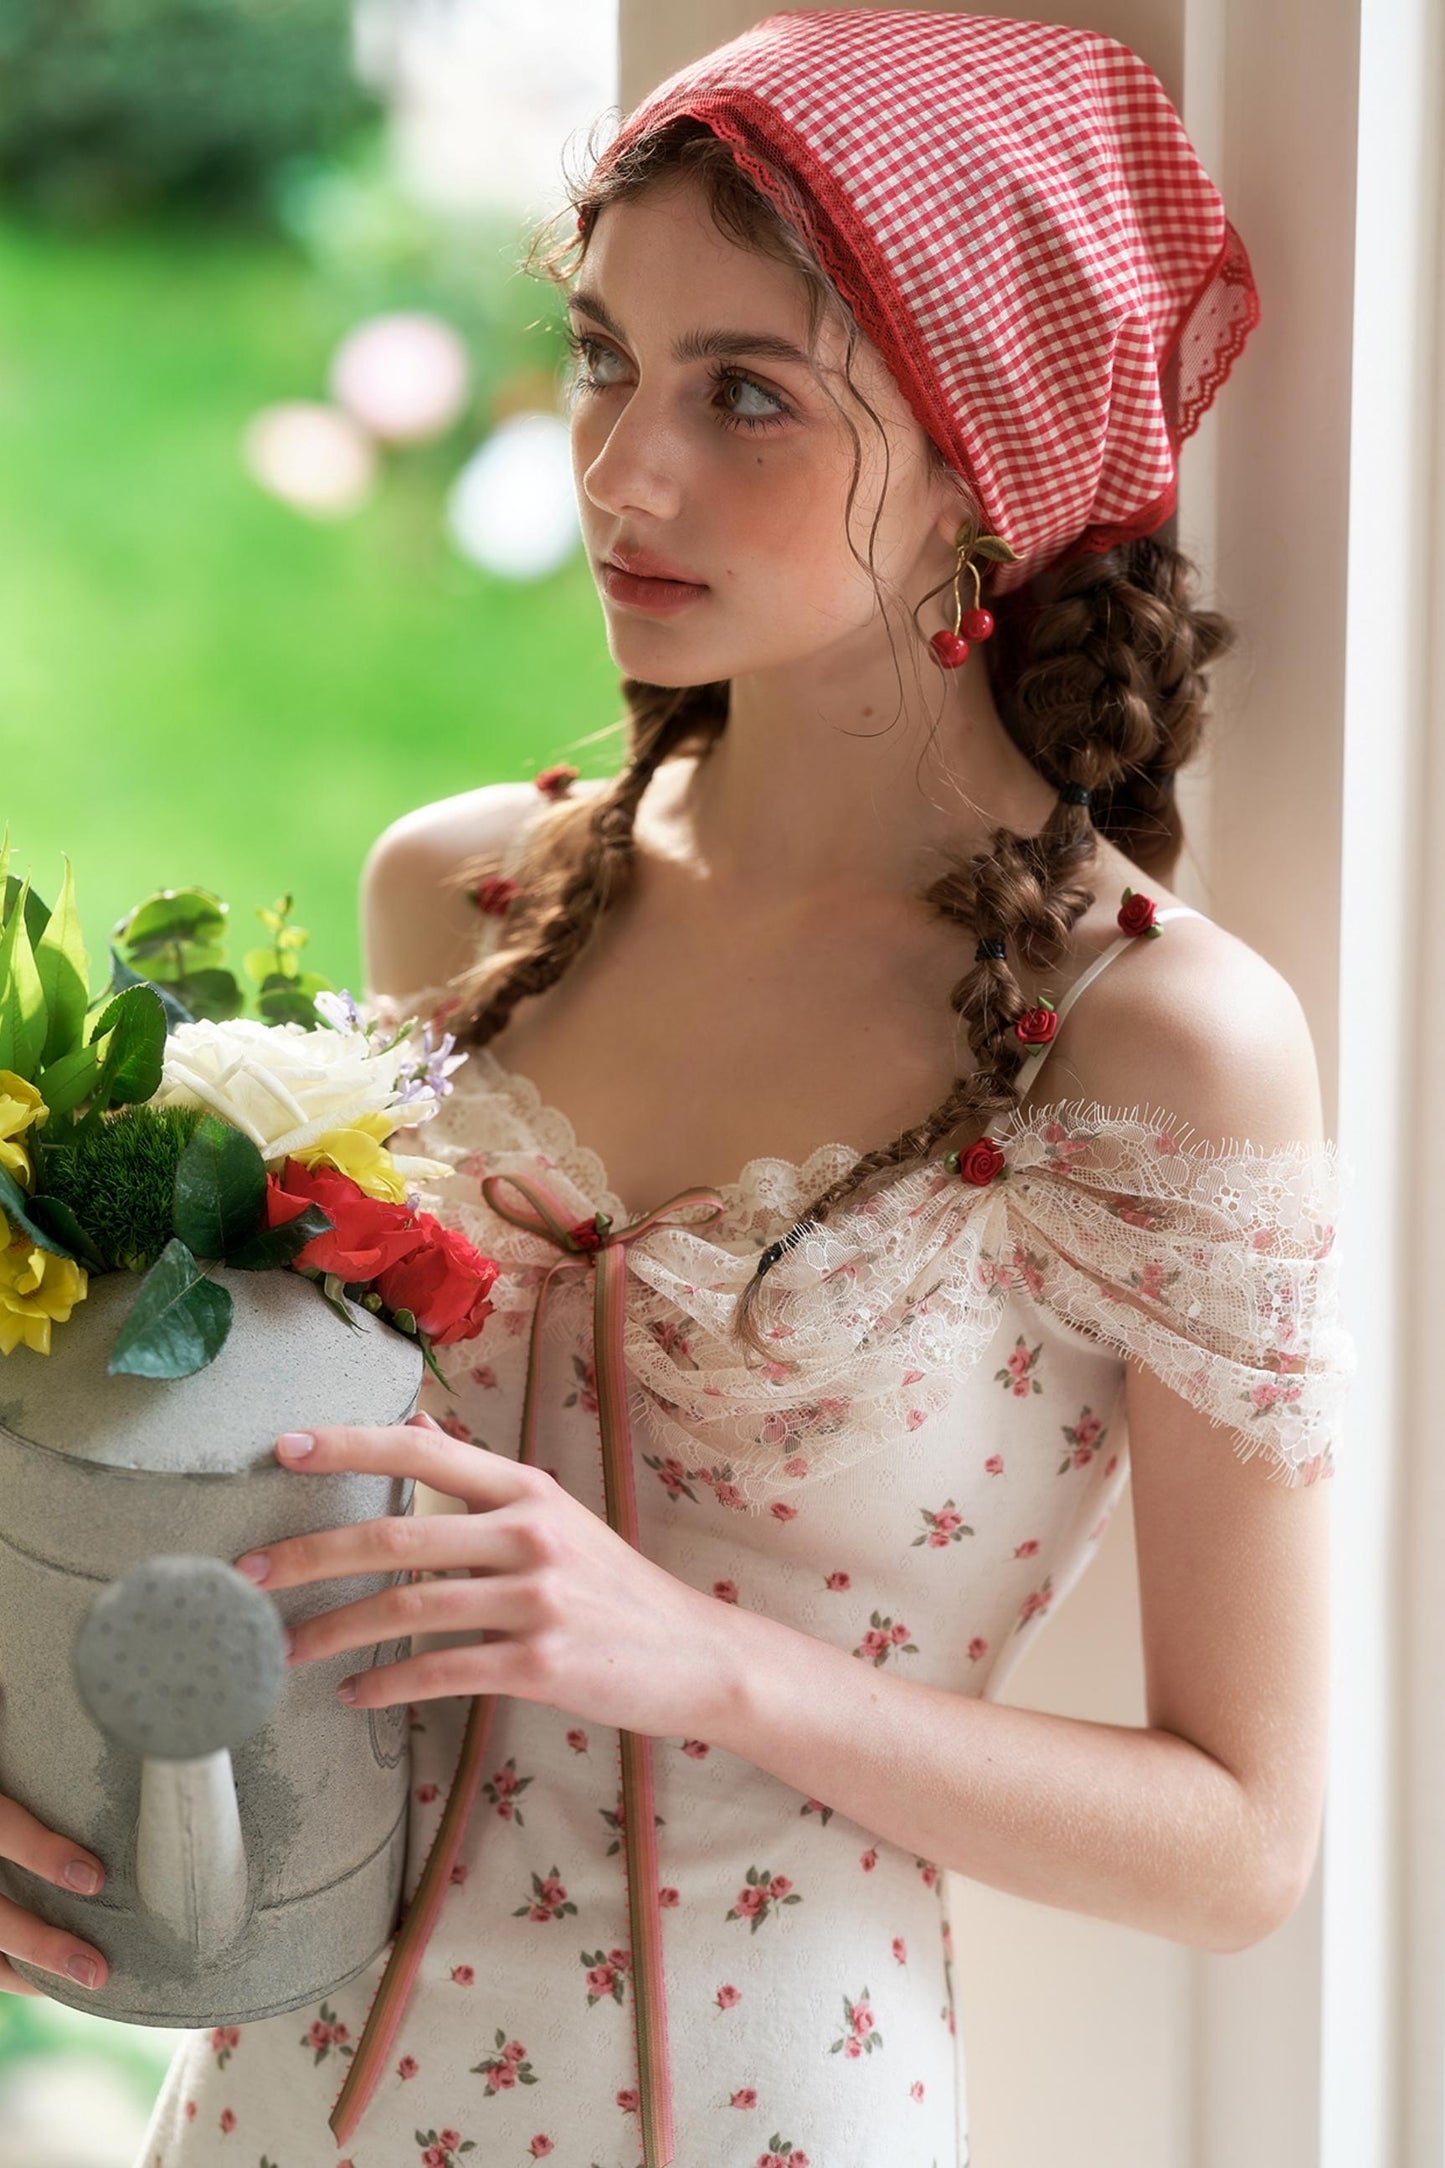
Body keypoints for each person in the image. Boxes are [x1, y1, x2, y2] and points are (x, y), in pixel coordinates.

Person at [0, 14, 1353, 2168]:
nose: (620, 471)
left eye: (747, 393)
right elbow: (289, 1501)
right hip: (265, 2091)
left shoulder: (1149, 1037)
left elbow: (1241, 1839)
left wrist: (704, 1662)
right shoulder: (460, 890)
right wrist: (65, 1716)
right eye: (607, 358)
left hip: (767, 2113)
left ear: (990, 450)